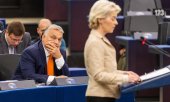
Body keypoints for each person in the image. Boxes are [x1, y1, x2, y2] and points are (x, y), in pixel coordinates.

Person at [84, 0, 141, 102]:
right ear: (101, 19)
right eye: (113, 18)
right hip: (99, 98)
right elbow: (98, 75)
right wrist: (126, 79)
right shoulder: (95, 42)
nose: (116, 22)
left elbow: (108, 71)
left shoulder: (101, 39)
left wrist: (126, 74)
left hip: (105, 96)